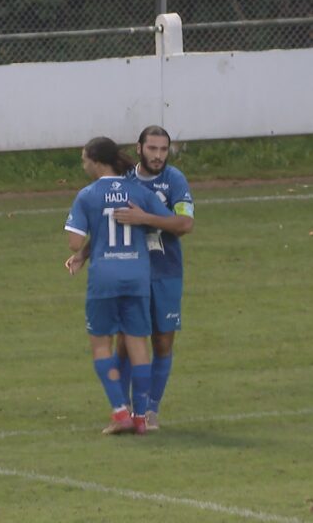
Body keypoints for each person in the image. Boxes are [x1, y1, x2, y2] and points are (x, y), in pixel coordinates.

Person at [64, 136, 174, 435]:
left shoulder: (87, 195)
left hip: (105, 279)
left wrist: (82, 249)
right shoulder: (137, 190)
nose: (84, 165)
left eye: (84, 160)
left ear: (96, 162)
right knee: (138, 343)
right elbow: (166, 222)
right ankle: (140, 416)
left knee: (102, 343)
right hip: (137, 275)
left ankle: (119, 411)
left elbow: (74, 241)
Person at [113, 125, 194, 431]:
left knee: (162, 341)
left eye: (163, 150)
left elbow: (185, 224)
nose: (158, 156)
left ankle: (150, 411)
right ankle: (123, 411)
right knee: (126, 340)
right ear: (139, 148)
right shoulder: (123, 181)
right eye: (153, 149)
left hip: (166, 272)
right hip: (130, 272)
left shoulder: (174, 180)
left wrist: (145, 218)